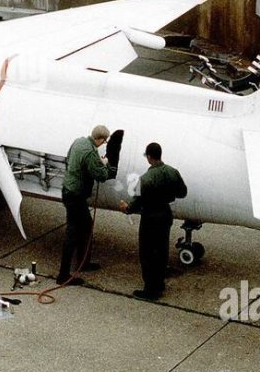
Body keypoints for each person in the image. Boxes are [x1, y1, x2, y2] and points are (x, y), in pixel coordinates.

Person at [120, 142, 187, 300]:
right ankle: (160, 283)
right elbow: (182, 193)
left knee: (148, 254)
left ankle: (150, 290)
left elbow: (136, 203)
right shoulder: (173, 172)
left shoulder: (145, 179)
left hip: (150, 218)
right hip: (165, 215)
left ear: (149, 157)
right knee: (162, 251)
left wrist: (126, 207)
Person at [57, 124, 117, 285]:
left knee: (85, 226)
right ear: (100, 139)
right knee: (73, 233)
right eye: (104, 142)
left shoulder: (79, 141)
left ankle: (83, 263)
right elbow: (101, 176)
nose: (103, 144)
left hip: (68, 190)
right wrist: (104, 164)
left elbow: (69, 159)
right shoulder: (91, 153)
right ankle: (63, 275)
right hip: (75, 197)